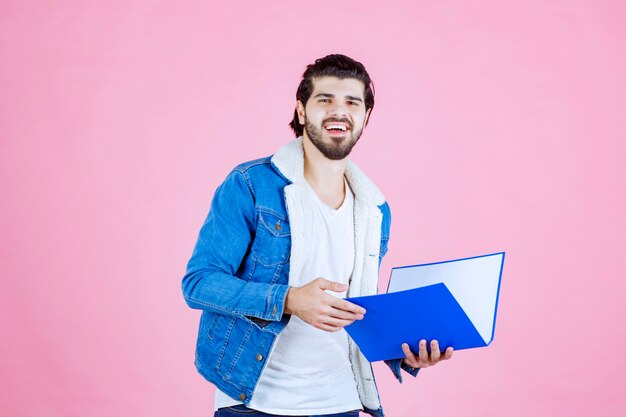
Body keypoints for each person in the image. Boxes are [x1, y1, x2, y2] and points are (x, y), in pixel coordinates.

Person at [182, 54, 453, 417]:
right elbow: (199, 282)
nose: (338, 111)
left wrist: (408, 354)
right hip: (253, 402)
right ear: (301, 110)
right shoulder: (250, 185)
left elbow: (356, 310)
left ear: (365, 117)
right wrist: (289, 300)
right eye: (325, 99)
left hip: (339, 402)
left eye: (351, 102)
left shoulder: (374, 209)